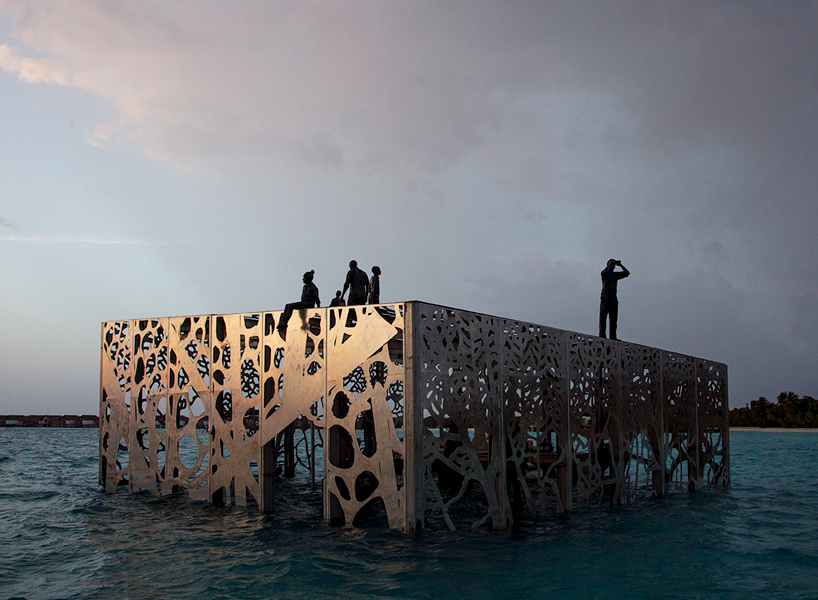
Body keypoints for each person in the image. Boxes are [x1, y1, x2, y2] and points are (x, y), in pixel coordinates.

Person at [599, 259, 630, 340]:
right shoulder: (604, 273)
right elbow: (606, 271)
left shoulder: (615, 275)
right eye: (611, 265)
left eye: (613, 265)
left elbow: (627, 273)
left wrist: (620, 265)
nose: (612, 266)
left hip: (613, 300)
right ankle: (602, 335)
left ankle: (613, 336)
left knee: (613, 321)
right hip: (605, 299)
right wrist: (611, 263)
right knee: (603, 319)